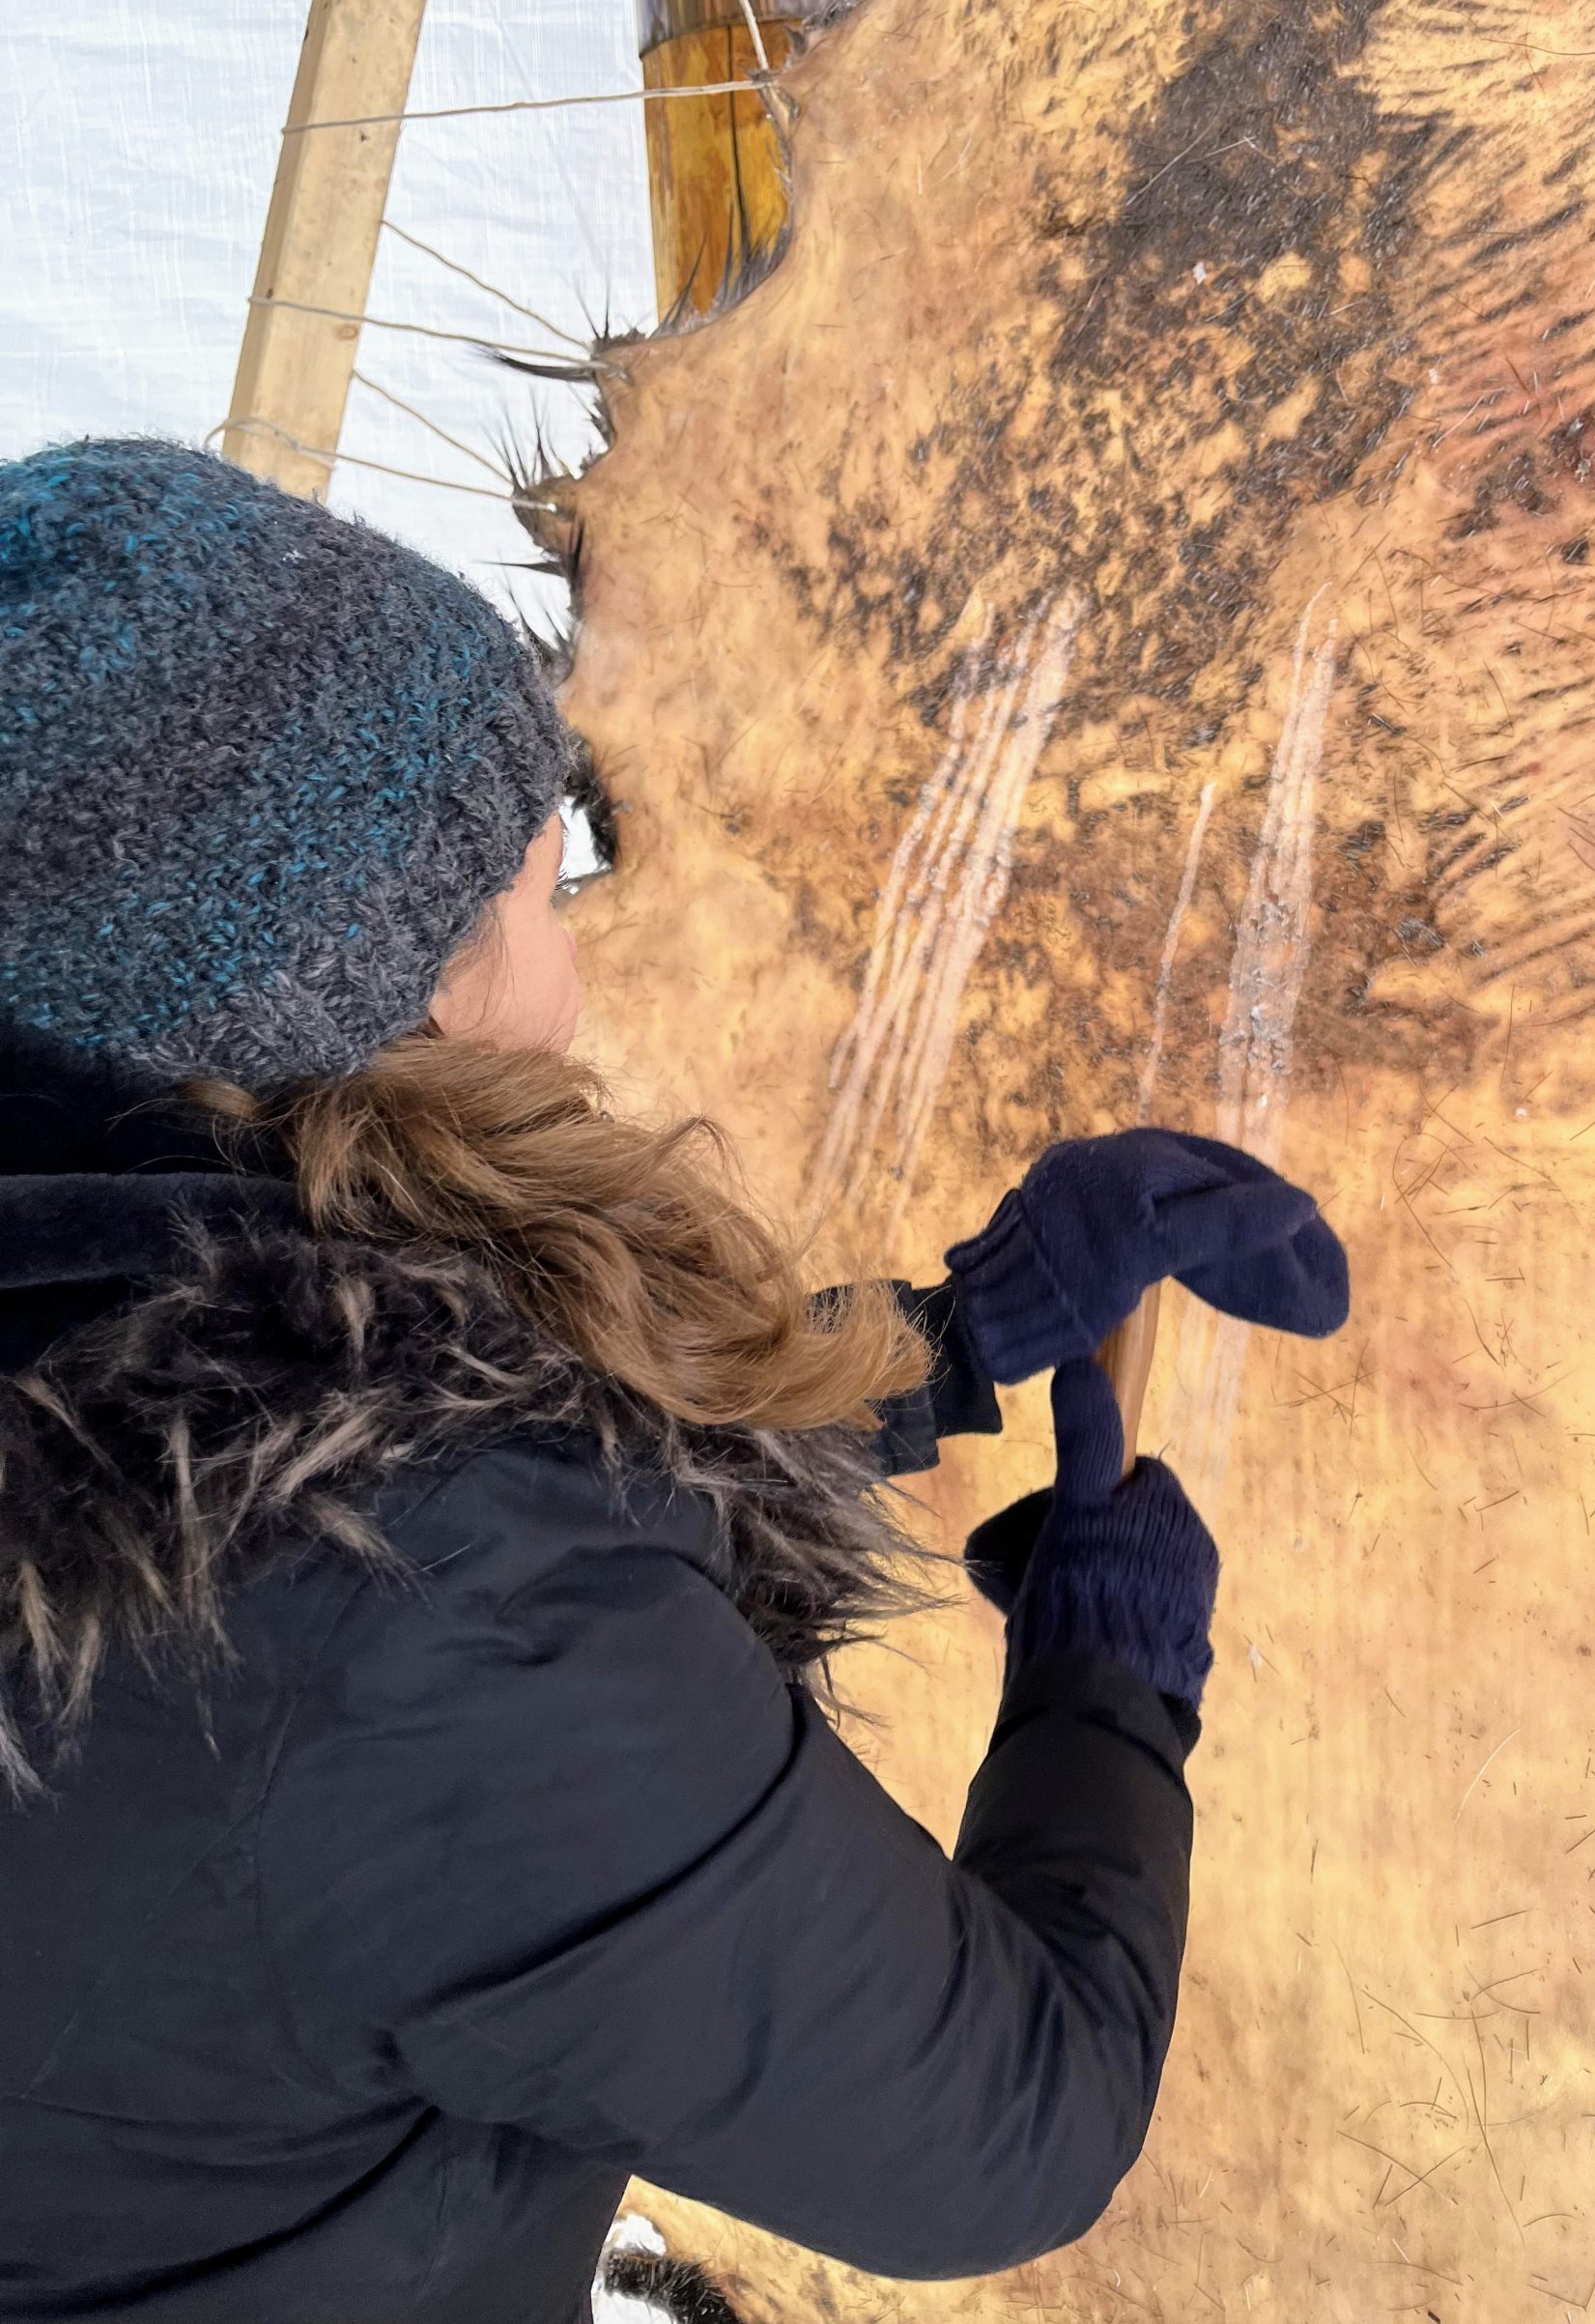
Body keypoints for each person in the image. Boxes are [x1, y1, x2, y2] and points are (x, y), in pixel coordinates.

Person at [0, 440, 1347, 2323]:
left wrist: (949, 1341)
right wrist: (1109, 1686)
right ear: (354, 987)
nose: (571, 989)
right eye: (537, 899)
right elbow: (1002, 2125)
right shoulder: (391, 1613)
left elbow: (410, 1468)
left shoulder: (136, 1366)